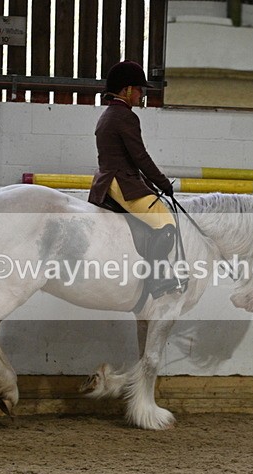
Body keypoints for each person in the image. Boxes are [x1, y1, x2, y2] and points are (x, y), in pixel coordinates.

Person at [88, 60, 181, 297]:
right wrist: (163, 184)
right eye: (139, 89)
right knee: (165, 224)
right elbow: (140, 157)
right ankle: (156, 279)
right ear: (127, 89)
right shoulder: (125, 116)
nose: (142, 94)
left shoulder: (108, 114)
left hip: (107, 182)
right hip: (122, 183)